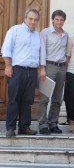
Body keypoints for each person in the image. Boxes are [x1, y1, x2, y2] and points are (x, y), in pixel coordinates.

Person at [1, 8, 40, 137]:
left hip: (32, 71)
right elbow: (6, 49)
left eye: (35, 20)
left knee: (27, 100)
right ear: (25, 18)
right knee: (13, 99)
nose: (33, 22)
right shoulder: (15, 30)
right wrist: (8, 66)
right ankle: (10, 128)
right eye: (30, 19)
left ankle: (24, 127)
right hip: (17, 70)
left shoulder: (37, 35)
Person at [38, 10, 68, 135]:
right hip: (49, 66)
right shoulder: (45, 32)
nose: (59, 22)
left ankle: (53, 123)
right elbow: (42, 51)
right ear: (52, 20)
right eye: (57, 19)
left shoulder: (65, 35)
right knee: (44, 98)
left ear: (64, 21)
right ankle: (43, 125)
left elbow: (66, 53)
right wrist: (42, 68)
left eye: (61, 20)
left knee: (57, 99)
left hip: (61, 68)